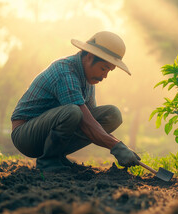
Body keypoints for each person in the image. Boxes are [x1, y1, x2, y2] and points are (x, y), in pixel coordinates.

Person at [10, 31, 141, 172]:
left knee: (112, 115)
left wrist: (121, 147)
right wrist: (116, 146)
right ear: (90, 57)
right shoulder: (65, 71)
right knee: (73, 111)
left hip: (49, 130)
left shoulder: (88, 80)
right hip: (25, 135)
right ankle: (48, 161)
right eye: (103, 68)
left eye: (109, 71)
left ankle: (57, 156)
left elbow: (92, 124)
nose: (105, 75)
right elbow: (85, 121)